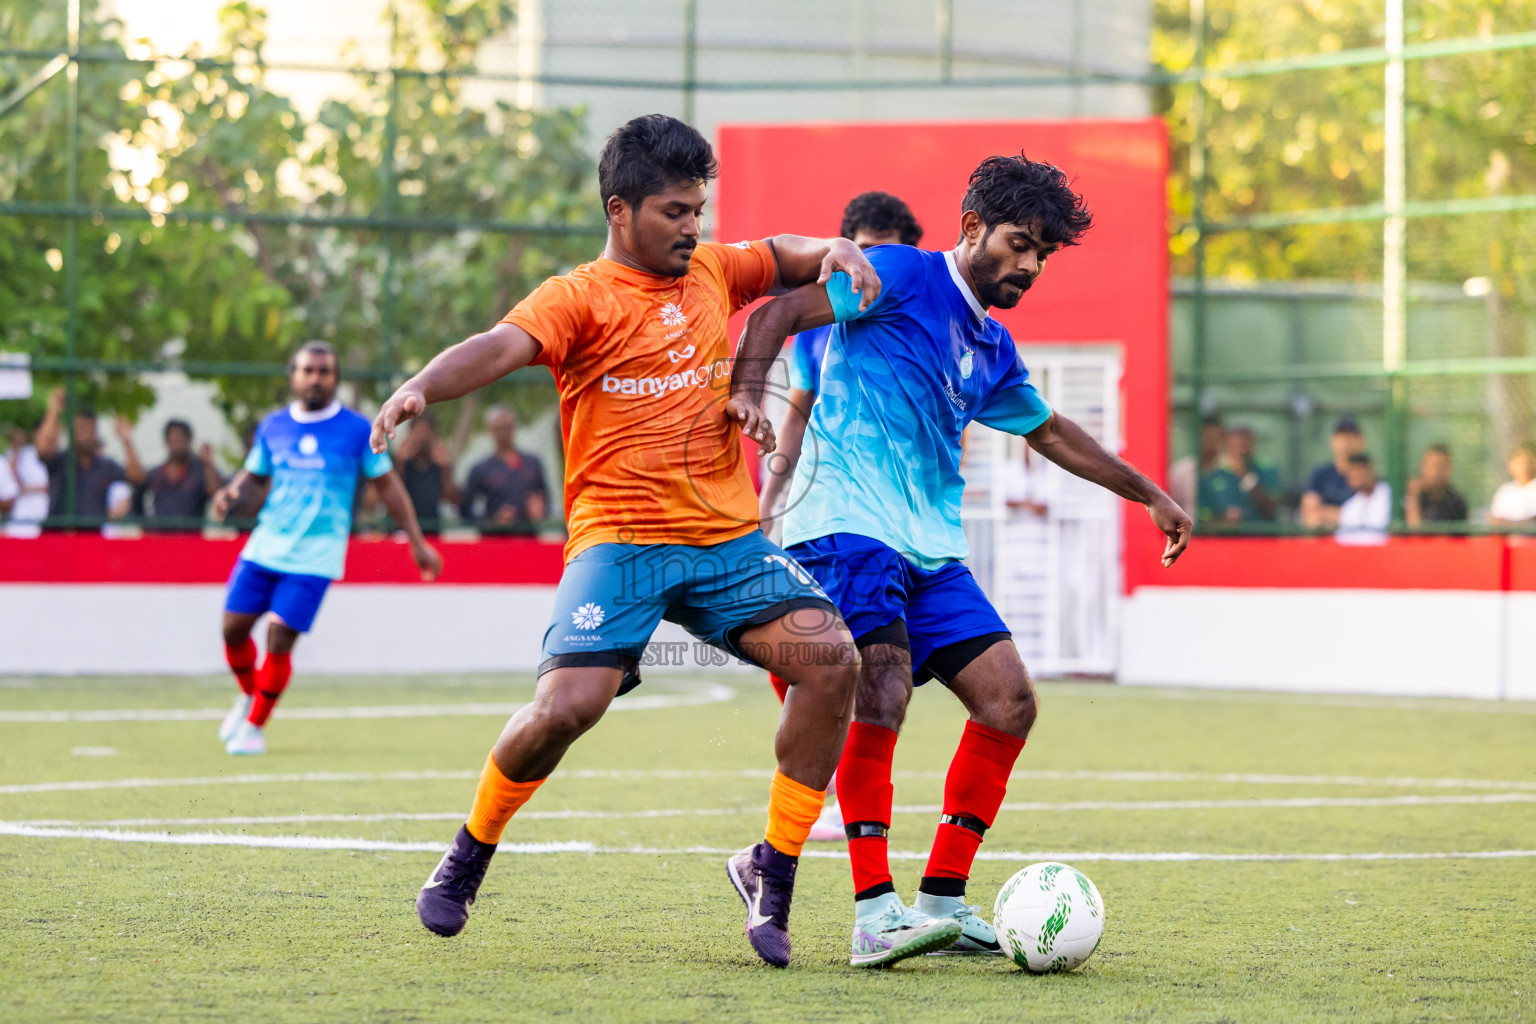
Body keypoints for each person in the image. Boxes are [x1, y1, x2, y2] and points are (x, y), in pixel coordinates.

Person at [371, 114, 876, 969]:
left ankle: (771, 872)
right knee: (568, 708)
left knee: (833, 661)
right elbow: (498, 346)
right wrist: (422, 386)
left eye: (698, 210)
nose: (693, 228)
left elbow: (784, 255)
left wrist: (835, 245)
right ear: (620, 210)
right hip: (620, 541)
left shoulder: (714, 267)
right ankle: (467, 856)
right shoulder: (577, 298)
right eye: (675, 211)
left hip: (725, 543)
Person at [731, 153, 1191, 967]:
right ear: (973, 227)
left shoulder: (992, 344)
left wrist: (1146, 491)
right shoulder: (898, 275)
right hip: (846, 525)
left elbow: (1050, 431)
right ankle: (875, 914)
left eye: (1043, 253)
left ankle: (941, 896)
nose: (1031, 265)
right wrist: (744, 392)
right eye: (1020, 243)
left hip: (931, 549)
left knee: (1009, 699)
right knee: (882, 683)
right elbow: (775, 315)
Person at [755, 190, 923, 844]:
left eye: (885, 247)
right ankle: (820, 777)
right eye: (862, 244)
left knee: (879, 666)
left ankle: (842, 790)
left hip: (883, 516)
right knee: (797, 642)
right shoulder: (821, 329)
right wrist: (770, 498)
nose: (869, 260)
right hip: (819, 508)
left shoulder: (912, 321)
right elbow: (797, 412)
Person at [211, 342, 442, 757]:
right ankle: (251, 697)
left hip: (316, 555)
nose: (316, 378)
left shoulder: (356, 430)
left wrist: (418, 542)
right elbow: (254, 474)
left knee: (279, 635)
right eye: (308, 370)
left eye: (324, 371)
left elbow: (387, 485)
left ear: (335, 378)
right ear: (294, 376)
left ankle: (254, 727)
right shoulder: (273, 426)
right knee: (232, 630)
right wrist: (231, 493)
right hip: (264, 546)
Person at [34, 395, 131, 520]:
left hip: (92, 535)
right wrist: (54, 410)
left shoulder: (107, 466)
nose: (84, 434)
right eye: (80, 428)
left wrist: (127, 440)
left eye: (89, 429)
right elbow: (43, 449)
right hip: (60, 534)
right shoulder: (60, 461)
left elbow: (135, 478)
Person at [459, 406, 548, 527]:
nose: (504, 433)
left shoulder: (532, 463)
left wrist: (539, 509)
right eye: (499, 428)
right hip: (496, 540)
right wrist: (493, 521)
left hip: (528, 537)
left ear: (515, 428)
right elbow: (465, 510)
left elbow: (546, 499)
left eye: (507, 427)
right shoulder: (481, 468)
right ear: (490, 431)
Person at [127, 419, 225, 523]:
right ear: (166, 441)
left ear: (189, 441)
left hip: (191, 535)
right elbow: (137, 479)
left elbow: (216, 493)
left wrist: (208, 464)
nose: (177, 445)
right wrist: (127, 441)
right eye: (173, 440)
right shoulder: (158, 473)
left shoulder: (199, 471)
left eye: (180, 439)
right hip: (161, 535)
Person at [1198, 425, 1279, 523]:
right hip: (1226, 537)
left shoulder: (1266, 472)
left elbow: (1272, 509)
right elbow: (1204, 516)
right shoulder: (1212, 477)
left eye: (1245, 445)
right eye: (1235, 446)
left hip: (1260, 535)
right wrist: (1224, 520)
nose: (1241, 451)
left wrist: (1244, 475)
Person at [397, 410, 460, 530]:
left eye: (426, 432)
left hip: (432, 527)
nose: (422, 437)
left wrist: (446, 468)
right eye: (418, 432)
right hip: (403, 527)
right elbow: (394, 494)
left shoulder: (439, 463)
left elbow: (452, 500)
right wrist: (400, 462)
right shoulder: (402, 461)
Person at [1301, 417, 1365, 529]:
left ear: (1360, 441)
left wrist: (1328, 513)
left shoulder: (1368, 478)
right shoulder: (1320, 475)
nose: (1346, 442)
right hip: (1326, 540)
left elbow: (1370, 517)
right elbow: (1311, 515)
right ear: (1333, 440)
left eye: (1351, 436)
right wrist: (1351, 517)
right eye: (1341, 437)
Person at [1168, 415, 1222, 516]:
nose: (1210, 443)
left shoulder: (1227, 469)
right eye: (1207, 437)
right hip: (1191, 529)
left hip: (1222, 530)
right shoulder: (1182, 471)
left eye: (1214, 437)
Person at [1403, 444, 1467, 527]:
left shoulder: (1456, 502)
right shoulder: (1412, 496)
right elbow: (1412, 532)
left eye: (1440, 467)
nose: (1435, 473)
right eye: (1431, 466)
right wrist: (1413, 497)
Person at [1336, 452, 1392, 544]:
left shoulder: (1389, 495)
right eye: (1351, 473)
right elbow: (1343, 540)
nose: (1356, 476)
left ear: (1369, 469)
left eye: (1359, 471)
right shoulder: (1349, 506)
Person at [1489, 443, 1536, 526]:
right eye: (1519, 463)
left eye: (1526, 462)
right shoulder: (1505, 490)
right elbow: (1494, 519)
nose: (1524, 467)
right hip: (1507, 538)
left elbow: (1532, 521)